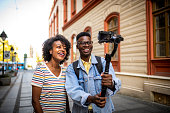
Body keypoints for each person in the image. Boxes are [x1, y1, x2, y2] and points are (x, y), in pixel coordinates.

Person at [65, 32, 121, 113]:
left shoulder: (103, 62)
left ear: (92, 44)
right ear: (77, 46)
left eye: (88, 42)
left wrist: (111, 84)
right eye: (82, 43)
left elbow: (116, 83)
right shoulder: (72, 68)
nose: (86, 45)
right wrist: (91, 99)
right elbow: (73, 90)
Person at [31, 35, 71, 113]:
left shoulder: (65, 71)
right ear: (50, 51)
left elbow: (64, 96)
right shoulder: (41, 70)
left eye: (65, 48)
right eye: (59, 47)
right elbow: (35, 101)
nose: (63, 50)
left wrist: (68, 110)